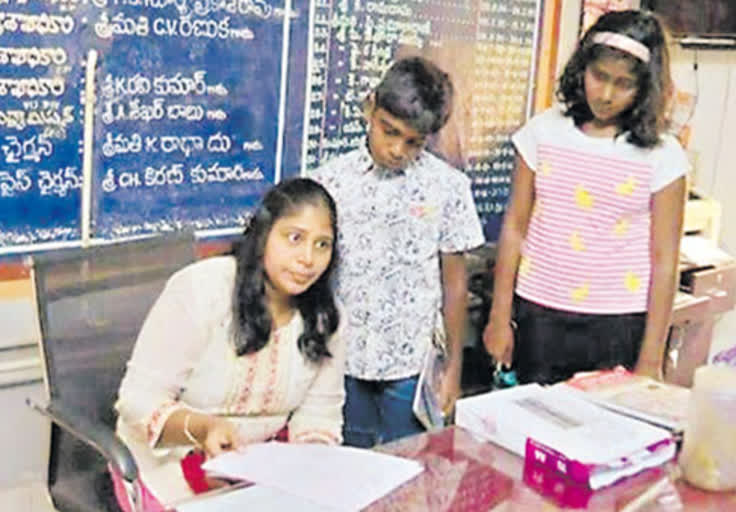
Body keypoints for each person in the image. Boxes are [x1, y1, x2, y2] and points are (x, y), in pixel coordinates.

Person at [483, 10, 688, 385]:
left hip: (619, 322)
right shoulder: (542, 133)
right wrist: (500, 317)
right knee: (536, 428)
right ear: (582, 69)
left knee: (604, 432)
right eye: (600, 77)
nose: (607, 95)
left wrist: (651, 359)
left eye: (624, 84)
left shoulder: (664, 155)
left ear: (646, 89)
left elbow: (665, 261)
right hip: (539, 313)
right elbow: (514, 228)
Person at [113, 178, 345, 506]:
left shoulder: (326, 317)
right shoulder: (201, 290)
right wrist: (204, 428)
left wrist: (306, 470)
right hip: (169, 467)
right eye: (294, 238)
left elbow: (320, 415)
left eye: (323, 245)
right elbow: (137, 401)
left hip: (262, 473)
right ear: (264, 235)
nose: (308, 258)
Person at [312, 56, 485, 448]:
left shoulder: (448, 188)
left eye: (413, 142)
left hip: (411, 367)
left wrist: (454, 368)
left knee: (408, 470)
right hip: (342, 362)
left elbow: (454, 285)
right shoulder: (330, 182)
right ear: (370, 107)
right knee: (345, 467)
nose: (396, 149)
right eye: (388, 131)